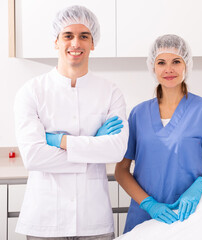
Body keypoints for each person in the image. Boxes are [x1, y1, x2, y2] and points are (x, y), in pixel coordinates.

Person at [13, 5, 129, 240]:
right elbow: (33, 157)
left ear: (92, 43)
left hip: (93, 221)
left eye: (84, 36)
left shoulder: (110, 92)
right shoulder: (32, 91)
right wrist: (94, 145)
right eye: (68, 35)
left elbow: (116, 150)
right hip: (44, 220)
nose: (75, 43)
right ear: (56, 41)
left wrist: (61, 141)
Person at [115, 34, 202, 233]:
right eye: (161, 62)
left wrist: (197, 188)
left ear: (186, 64)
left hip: (187, 215)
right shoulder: (138, 113)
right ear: (153, 67)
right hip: (143, 217)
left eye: (176, 61)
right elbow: (121, 171)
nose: (169, 69)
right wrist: (148, 204)